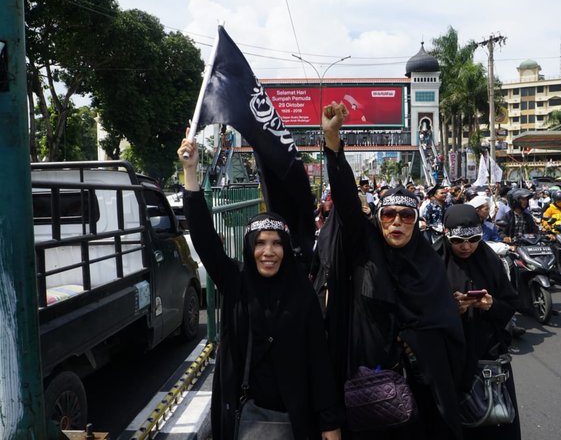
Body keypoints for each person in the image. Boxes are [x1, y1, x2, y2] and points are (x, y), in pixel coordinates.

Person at [177, 138, 343, 440]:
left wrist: (330, 424)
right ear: (250, 248)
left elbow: (319, 363)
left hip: (295, 421)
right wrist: (190, 172)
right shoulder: (237, 282)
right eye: (261, 243)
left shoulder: (302, 294)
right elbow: (204, 239)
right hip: (243, 419)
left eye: (277, 243)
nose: (269, 251)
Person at [321, 102, 467, 439]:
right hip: (371, 390)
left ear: (416, 223)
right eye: (389, 215)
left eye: (406, 215)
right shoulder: (366, 250)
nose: (397, 222)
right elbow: (345, 202)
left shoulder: (428, 262)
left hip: (423, 389)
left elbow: (446, 329)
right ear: (379, 219)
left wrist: (418, 344)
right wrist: (333, 142)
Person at [441, 205, 522, 440]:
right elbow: (420, 311)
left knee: (493, 424)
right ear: (447, 235)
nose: (466, 247)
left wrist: (490, 305)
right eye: (458, 241)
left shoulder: (491, 262)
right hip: (448, 361)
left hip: (487, 358)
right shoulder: (433, 263)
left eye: (474, 239)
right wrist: (450, 309)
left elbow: (509, 305)